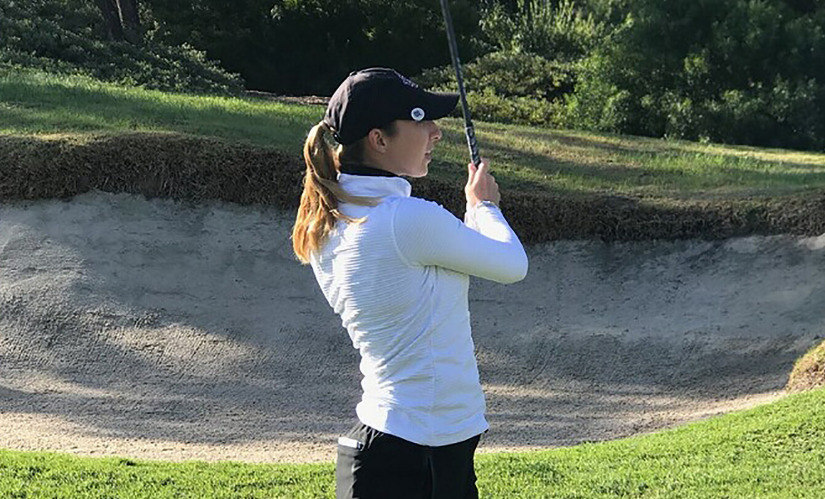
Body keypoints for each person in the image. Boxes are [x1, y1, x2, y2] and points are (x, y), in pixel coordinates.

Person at [291, 67, 528, 499]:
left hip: (407, 448)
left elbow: (431, 265)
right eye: (421, 120)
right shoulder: (405, 219)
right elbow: (512, 264)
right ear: (379, 140)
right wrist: (484, 207)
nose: (436, 132)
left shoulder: (330, 220)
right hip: (417, 452)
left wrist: (474, 214)